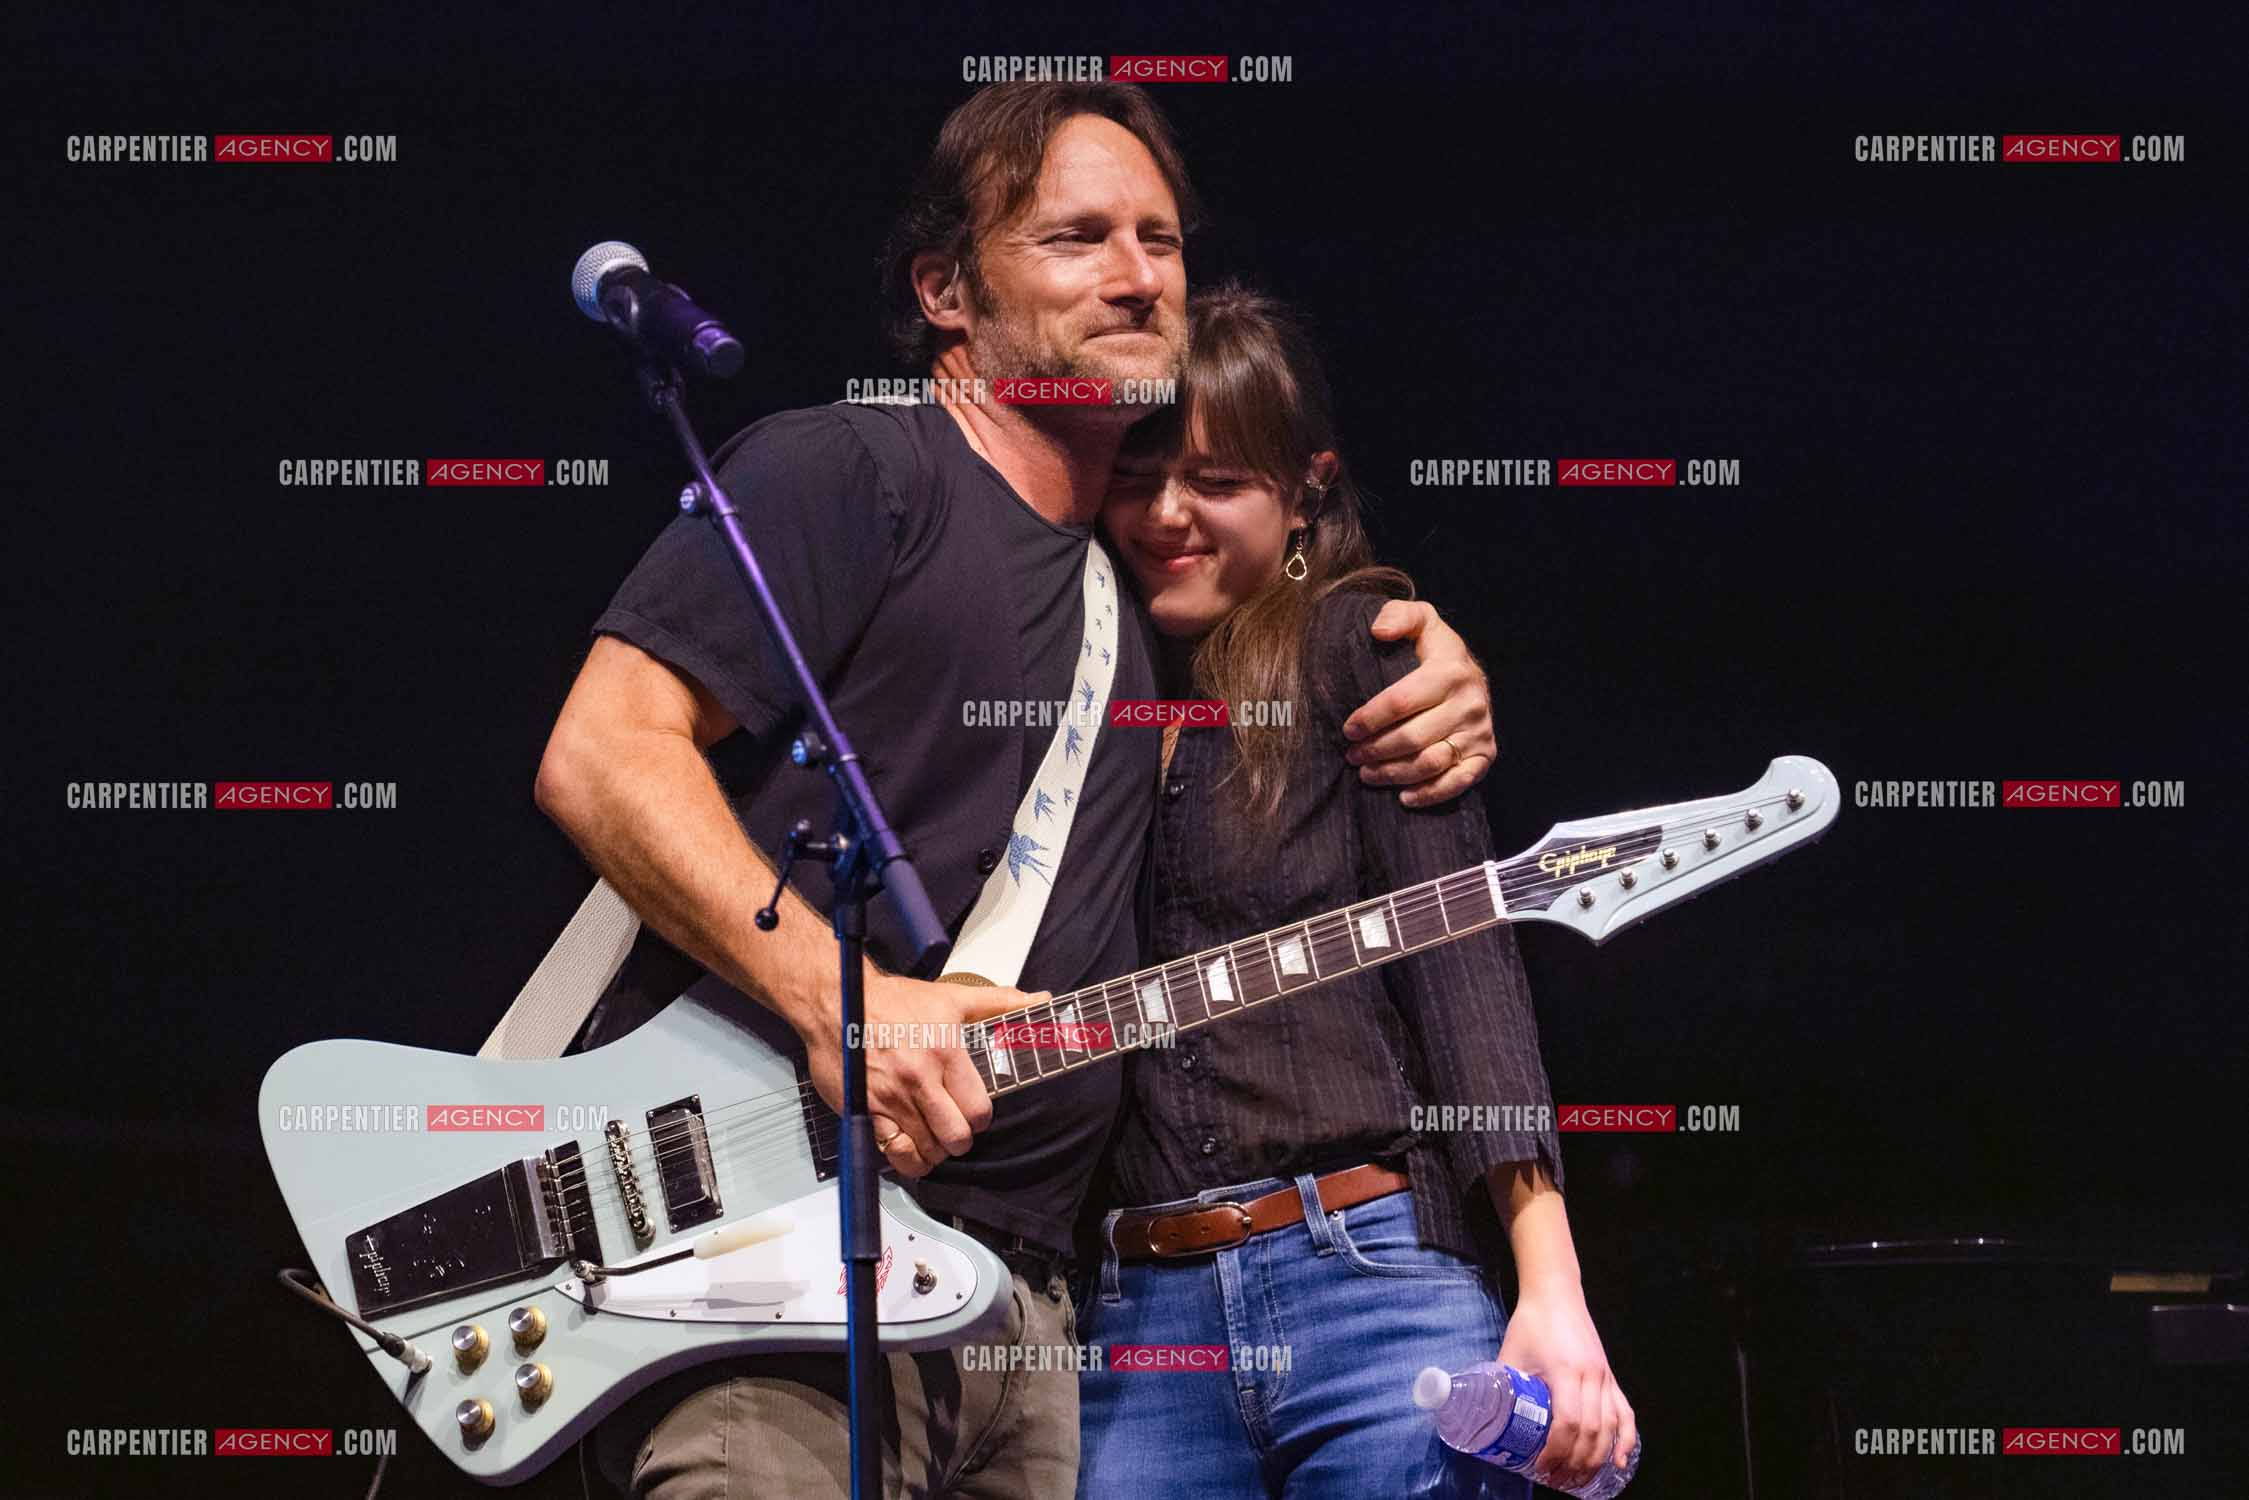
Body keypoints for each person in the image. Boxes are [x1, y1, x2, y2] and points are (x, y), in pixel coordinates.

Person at [534, 82, 1499, 1499]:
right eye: (1076, 238)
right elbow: (602, 752)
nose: (1134, 275)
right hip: (773, 1276)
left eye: (1160, 241)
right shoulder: (850, 469)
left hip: (1035, 1330)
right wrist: (838, 1005)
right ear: (945, 290)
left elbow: (1291, 636)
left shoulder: (1134, 602)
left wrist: (1427, 652)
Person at [1076, 283, 1636, 1499]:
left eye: (1216, 481)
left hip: (1368, 1283)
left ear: (1304, 494)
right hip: (1138, 1319)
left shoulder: (1351, 648)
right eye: (1141, 474)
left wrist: (1552, 1292)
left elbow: (1466, 972)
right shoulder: (1081, 697)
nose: (1167, 513)